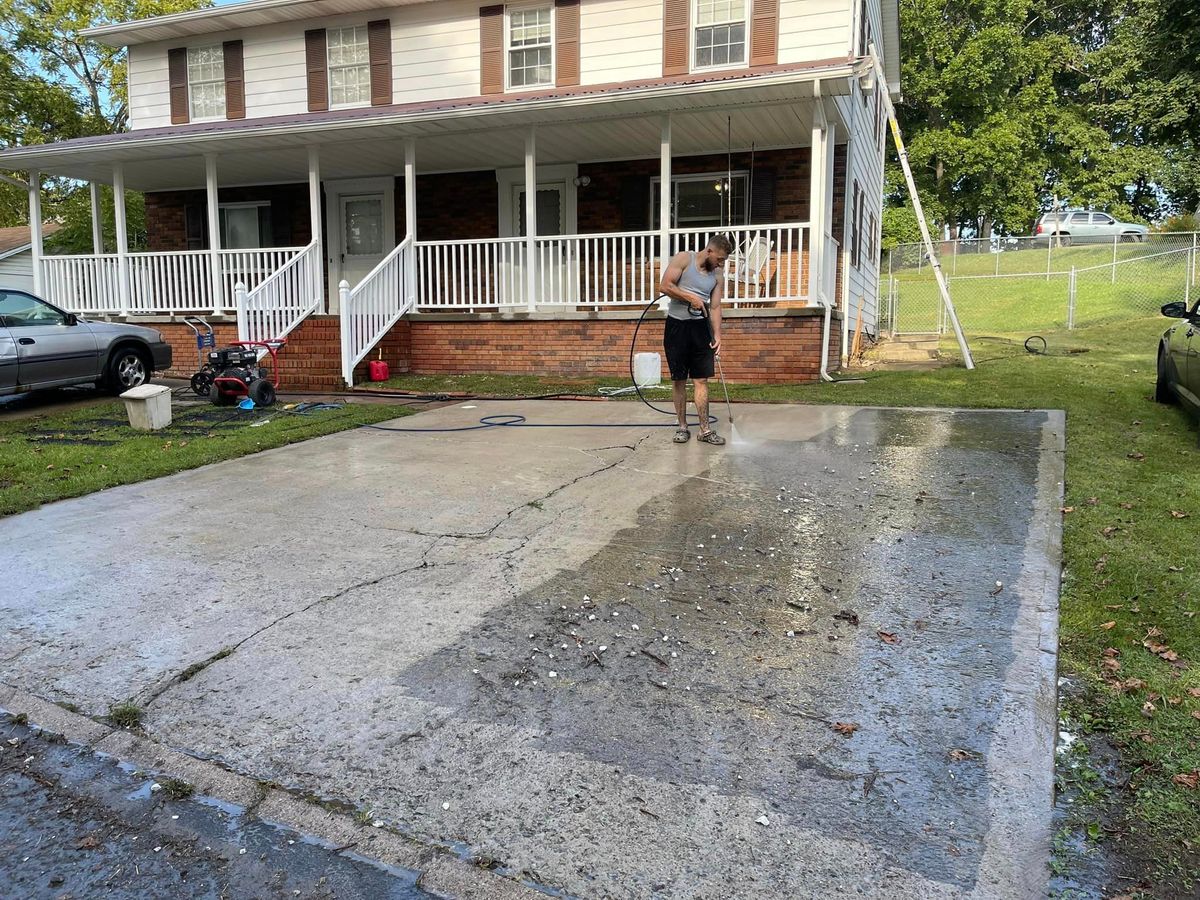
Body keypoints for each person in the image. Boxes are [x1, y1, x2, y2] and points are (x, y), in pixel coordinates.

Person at [657, 235, 732, 446]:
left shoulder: (717, 275)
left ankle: (705, 430)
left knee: (701, 379)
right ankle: (682, 427)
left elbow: (715, 307)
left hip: (701, 328)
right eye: (719, 259)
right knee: (679, 379)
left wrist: (718, 335)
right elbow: (665, 286)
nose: (721, 264)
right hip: (676, 327)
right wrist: (691, 298)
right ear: (709, 251)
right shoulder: (684, 259)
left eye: (723, 261)